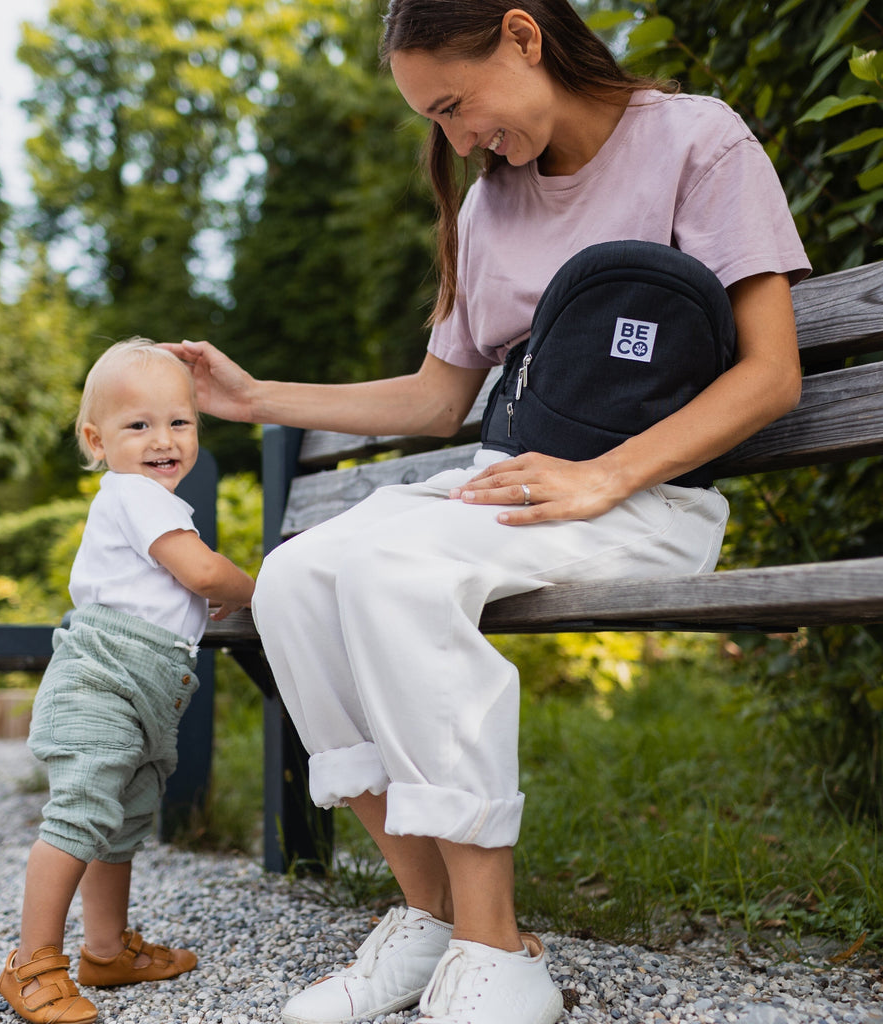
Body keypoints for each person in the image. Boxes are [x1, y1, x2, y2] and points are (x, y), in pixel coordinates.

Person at [167, 2, 811, 1022]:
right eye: (437, 120)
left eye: (456, 105)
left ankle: (496, 945)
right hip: (505, 488)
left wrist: (605, 476)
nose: (459, 139)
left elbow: (772, 374)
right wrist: (256, 401)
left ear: (522, 35)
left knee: (390, 575)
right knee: (292, 577)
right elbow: (436, 399)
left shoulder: (696, 138)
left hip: (642, 495)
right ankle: (427, 919)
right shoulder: (486, 208)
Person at [0, 339, 255, 1024]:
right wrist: (259, 589)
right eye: (138, 426)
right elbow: (200, 573)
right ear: (96, 438)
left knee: (121, 824)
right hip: (102, 684)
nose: (162, 440)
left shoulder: (141, 500)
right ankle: (32, 963)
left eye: (179, 422)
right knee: (81, 813)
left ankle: (106, 952)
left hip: (139, 691)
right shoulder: (139, 495)